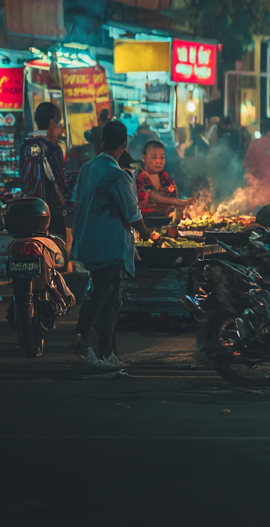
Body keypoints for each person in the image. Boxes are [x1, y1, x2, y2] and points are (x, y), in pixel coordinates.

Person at [70, 121, 155, 369]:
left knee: (111, 297)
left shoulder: (89, 167)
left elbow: (76, 201)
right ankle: (82, 336)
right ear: (124, 144)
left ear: (103, 141)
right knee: (104, 292)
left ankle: (108, 352)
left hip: (89, 237)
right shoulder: (117, 175)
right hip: (107, 243)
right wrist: (146, 234)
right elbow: (132, 214)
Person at [20, 102, 72, 244]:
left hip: (27, 205)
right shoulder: (53, 148)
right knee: (59, 250)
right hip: (49, 208)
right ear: (52, 123)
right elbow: (57, 179)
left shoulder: (24, 145)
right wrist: (69, 200)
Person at [136, 140, 189, 224]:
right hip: (145, 224)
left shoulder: (164, 176)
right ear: (144, 158)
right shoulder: (139, 176)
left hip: (166, 223)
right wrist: (178, 202)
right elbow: (150, 196)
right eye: (154, 157)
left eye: (162, 157)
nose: (159, 161)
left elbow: (172, 195)